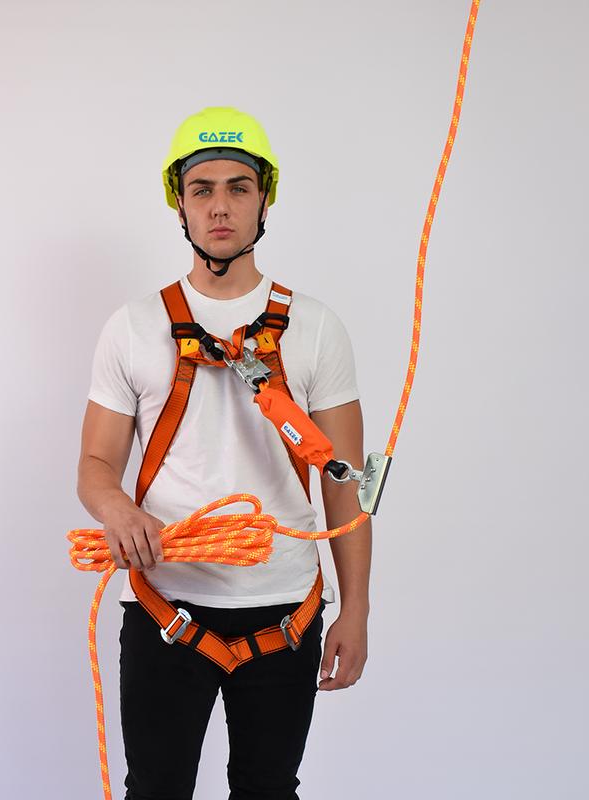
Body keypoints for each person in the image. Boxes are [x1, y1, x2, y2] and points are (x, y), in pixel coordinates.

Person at [77, 107, 372, 800]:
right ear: (179, 202)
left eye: (239, 188)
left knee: (269, 790)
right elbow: (95, 465)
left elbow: (346, 484)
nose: (219, 206)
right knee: (156, 790)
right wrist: (118, 509)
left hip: (286, 610)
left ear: (264, 199)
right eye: (202, 188)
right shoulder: (134, 327)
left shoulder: (315, 329)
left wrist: (356, 608)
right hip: (165, 605)